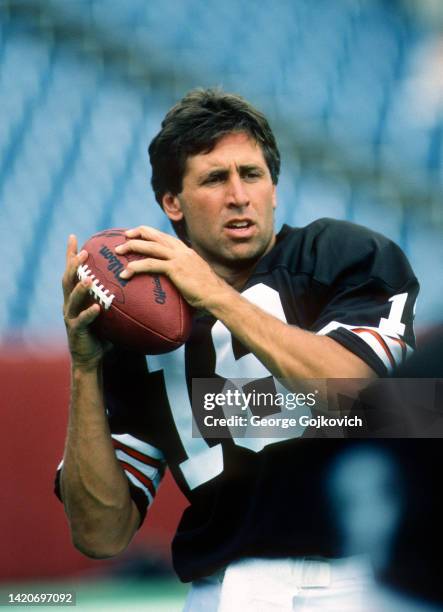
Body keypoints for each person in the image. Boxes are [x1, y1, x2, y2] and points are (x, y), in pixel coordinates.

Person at [56, 88, 419, 611]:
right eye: (213, 178)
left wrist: (214, 294)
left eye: (251, 174)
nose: (238, 195)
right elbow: (100, 536)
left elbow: (352, 396)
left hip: (368, 577)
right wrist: (85, 367)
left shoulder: (342, 256)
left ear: (274, 188)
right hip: (230, 588)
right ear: (171, 203)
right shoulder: (138, 329)